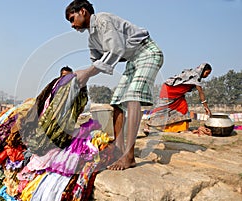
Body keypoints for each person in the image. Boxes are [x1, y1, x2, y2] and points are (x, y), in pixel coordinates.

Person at [65, 0, 164, 170]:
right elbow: (97, 63)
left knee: (133, 98)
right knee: (117, 103)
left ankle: (129, 156)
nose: (72, 25)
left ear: (83, 11)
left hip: (147, 53)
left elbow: (115, 51)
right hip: (133, 61)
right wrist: (83, 78)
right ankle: (118, 150)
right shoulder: (92, 39)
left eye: (72, 18)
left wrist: (87, 72)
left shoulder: (103, 20)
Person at [145, 63, 212, 133]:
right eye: (207, 73)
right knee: (161, 109)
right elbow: (201, 92)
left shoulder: (193, 75)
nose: (207, 76)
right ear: (202, 70)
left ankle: (183, 128)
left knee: (183, 108)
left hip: (178, 95)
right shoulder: (195, 76)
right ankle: (147, 125)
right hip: (169, 90)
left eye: (208, 74)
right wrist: (206, 108)